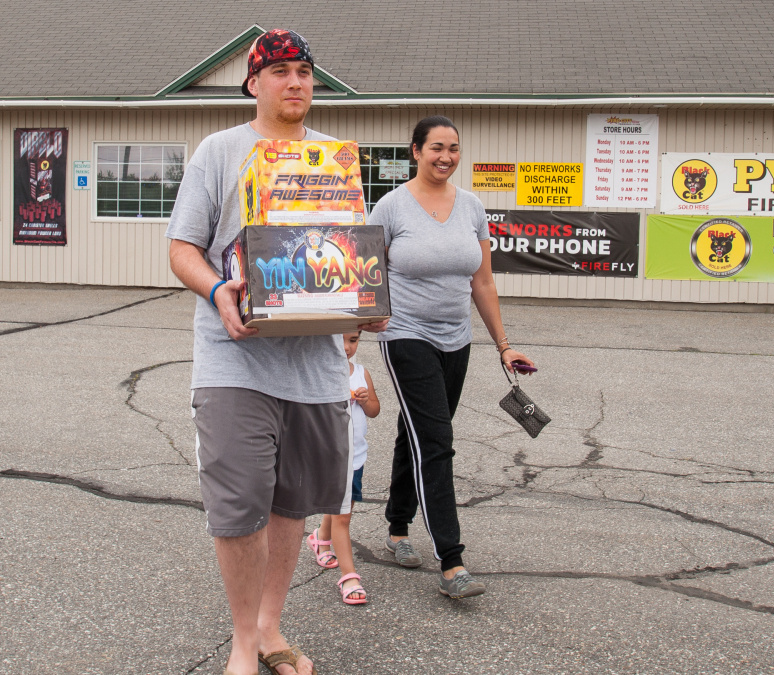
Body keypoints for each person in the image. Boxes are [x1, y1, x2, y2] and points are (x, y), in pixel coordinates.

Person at [165, 29, 385, 675]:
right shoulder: (221, 151)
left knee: (293, 502)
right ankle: (239, 640)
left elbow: (345, 255)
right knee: (239, 504)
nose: (296, 82)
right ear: (254, 82)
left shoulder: (335, 160)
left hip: (316, 368)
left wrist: (365, 298)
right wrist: (217, 293)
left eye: (306, 72)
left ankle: (270, 627)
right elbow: (183, 248)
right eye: (282, 70)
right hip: (235, 358)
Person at [368, 115, 534, 599]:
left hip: (455, 338)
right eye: (436, 147)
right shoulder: (391, 207)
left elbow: (481, 281)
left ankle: (397, 527)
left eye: (454, 148)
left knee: (417, 433)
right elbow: (367, 273)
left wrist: (504, 346)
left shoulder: (472, 207)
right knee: (437, 440)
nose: (446, 156)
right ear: (415, 151)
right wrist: (359, 327)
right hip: (405, 334)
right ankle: (451, 561)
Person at [306, 330, 380, 605]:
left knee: (340, 506)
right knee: (343, 516)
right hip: (330, 455)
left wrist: (364, 400)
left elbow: (374, 410)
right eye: (340, 339)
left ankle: (320, 538)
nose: (347, 347)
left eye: (354, 340)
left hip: (356, 456)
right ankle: (350, 577)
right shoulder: (318, 371)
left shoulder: (361, 373)